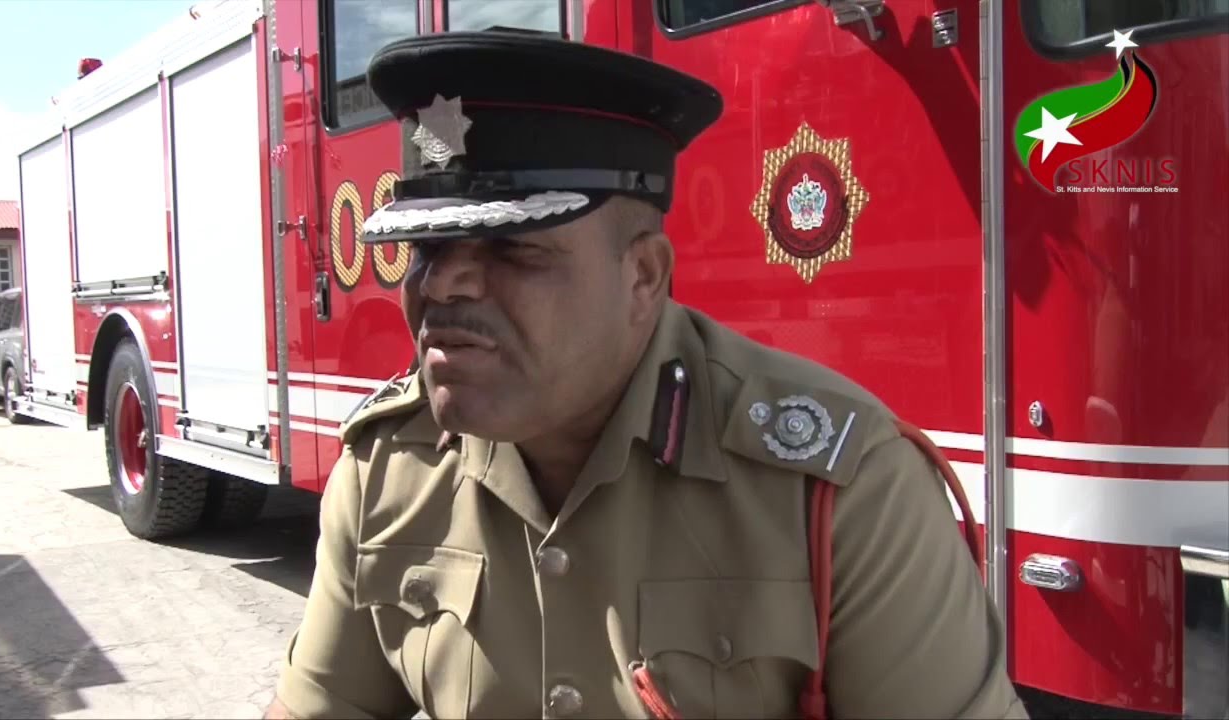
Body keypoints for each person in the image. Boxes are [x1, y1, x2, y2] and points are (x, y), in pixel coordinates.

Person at [264, 28, 1028, 720]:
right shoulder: (386, 472)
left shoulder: (839, 491)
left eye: (512, 249)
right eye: (426, 247)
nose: (441, 284)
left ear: (643, 277)